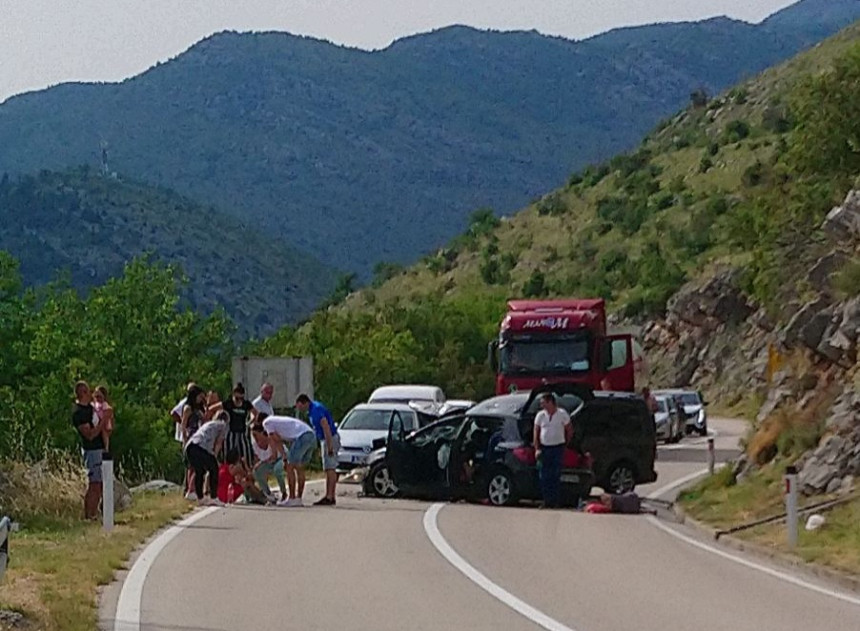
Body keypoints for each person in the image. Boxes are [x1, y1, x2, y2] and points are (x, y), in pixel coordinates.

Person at [262, 414, 316, 507]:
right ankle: (298, 498)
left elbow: (276, 439)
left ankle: (291, 498)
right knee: (299, 467)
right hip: (310, 434)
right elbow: (278, 440)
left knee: (290, 467)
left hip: (301, 436)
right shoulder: (277, 420)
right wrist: (284, 456)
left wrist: (285, 459)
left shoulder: (266, 422)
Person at [295, 394, 339, 506]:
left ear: (304, 403)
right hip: (325, 439)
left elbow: (326, 427)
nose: (300, 409)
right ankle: (330, 495)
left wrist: (329, 446)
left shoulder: (316, 409)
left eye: (300, 406)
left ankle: (330, 496)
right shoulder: (312, 410)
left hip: (330, 438)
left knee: (330, 467)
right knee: (328, 467)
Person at [533, 392, 572, 509]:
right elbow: (536, 432)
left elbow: (569, 430)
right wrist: (537, 448)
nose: (541, 405)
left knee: (555, 475)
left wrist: (566, 444)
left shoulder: (562, 414)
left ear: (550, 402)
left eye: (543, 402)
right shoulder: (540, 415)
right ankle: (546, 500)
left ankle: (555, 501)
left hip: (557, 448)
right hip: (544, 448)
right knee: (544, 476)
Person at [72, 381, 105, 520]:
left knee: (100, 483)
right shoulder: (78, 412)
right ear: (82, 393)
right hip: (91, 451)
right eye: (87, 391)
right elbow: (89, 434)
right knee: (94, 483)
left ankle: (95, 513)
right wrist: (103, 422)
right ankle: (89, 515)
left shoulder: (91, 409)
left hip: (100, 448)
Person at [184, 411, 229, 506]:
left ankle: (198, 496)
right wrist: (214, 457)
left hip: (190, 446)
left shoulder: (208, 424)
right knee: (214, 468)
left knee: (199, 471)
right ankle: (214, 497)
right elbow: (218, 443)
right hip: (201, 446)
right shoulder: (222, 425)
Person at [214, 383, 257, 467]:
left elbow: (255, 413)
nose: (239, 401)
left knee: (245, 452)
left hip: (242, 433)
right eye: (237, 398)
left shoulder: (246, 404)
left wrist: (249, 423)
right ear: (233, 394)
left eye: (241, 398)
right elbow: (213, 408)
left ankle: (246, 471)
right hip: (230, 432)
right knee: (229, 454)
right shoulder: (228, 403)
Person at [180, 385, 208, 501]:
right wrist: (186, 439)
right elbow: (183, 425)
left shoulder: (199, 408)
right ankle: (190, 489)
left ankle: (195, 488)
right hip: (191, 436)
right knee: (192, 466)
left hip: (199, 437)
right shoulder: (188, 408)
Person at [250, 422, 288, 500]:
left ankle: (284, 492)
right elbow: (256, 459)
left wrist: (261, 463)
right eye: (253, 436)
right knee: (257, 471)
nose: (255, 438)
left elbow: (274, 456)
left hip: (281, 458)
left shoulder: (270, 439)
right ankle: (267, 493)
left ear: (261, 433)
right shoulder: (255, 445)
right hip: (268, 462)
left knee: (277, 470)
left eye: (256, 435)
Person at [92, 385, 115, 455]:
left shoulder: (104, 405)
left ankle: (106, 447)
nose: (97, 399)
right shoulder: (95, 404)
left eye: (99, 396)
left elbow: (107, 413)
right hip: (98, 421)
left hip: (104, 422)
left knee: (104, 434)